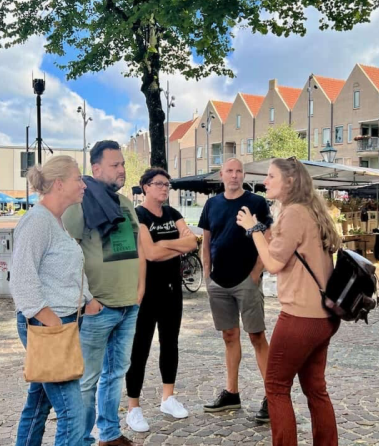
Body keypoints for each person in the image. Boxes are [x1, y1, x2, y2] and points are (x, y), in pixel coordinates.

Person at [236, 157, 342, 446]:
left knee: (275, 386)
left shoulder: (294, 213)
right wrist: (264, 231)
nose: (265, 181)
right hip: (324, 316)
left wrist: (253, 229)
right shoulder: (311, 210)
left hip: (300, 317)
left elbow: (272, 264)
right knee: (316, 388)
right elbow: (285, 252)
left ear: (290, 182)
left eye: (271, 176)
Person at [10, 155, 99, 446]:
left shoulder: (55, 221)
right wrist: (52, 323)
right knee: (73, 414)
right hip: (47, 326)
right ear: (59, 184)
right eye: (78, 178)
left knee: (38, 405)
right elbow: (22, 280)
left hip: (59, 324)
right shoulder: (37, 222)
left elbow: (63, 271)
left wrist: (86, 300)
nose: (83, 184)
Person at [62, 140, 145, 446]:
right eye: (115, 165)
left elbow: (138, 247)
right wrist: (87, 299)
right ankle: (80, 439)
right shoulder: (80, 204)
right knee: (87, 380)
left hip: (128, 304)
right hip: (98, 308)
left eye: (122, 164)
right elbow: (66, 254)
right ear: (96, 169)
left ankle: (109, 435)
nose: (122, 169)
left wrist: (140, 289)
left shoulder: (125, 203)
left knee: (115, 374)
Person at [197, 157, 272, 422]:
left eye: (239, 171)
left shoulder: (256, 203)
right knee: (229, 336)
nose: (234, 175)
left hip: (246, 280)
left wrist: (256, 273)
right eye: (229, 171)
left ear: (244, 175)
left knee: (257, 336)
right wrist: (207, 275)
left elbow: (268, 238)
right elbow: (206, 241)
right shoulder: (212, 204)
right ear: (222, 175)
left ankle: (272, 396)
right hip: (218, 282)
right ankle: (232, 393)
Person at [124, 168, 198, 433]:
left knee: (170, 343)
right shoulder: (139, 215)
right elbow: (150, 254)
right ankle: (133, 407)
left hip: (172, 289)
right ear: (145, 187)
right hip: (146, 291)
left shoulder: (173, 213)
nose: (164, 188)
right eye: (159, 184)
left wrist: (164, 244)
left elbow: (192, 243)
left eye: (167, 184)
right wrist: (175, 243)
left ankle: (168, 398)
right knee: (140, 348)